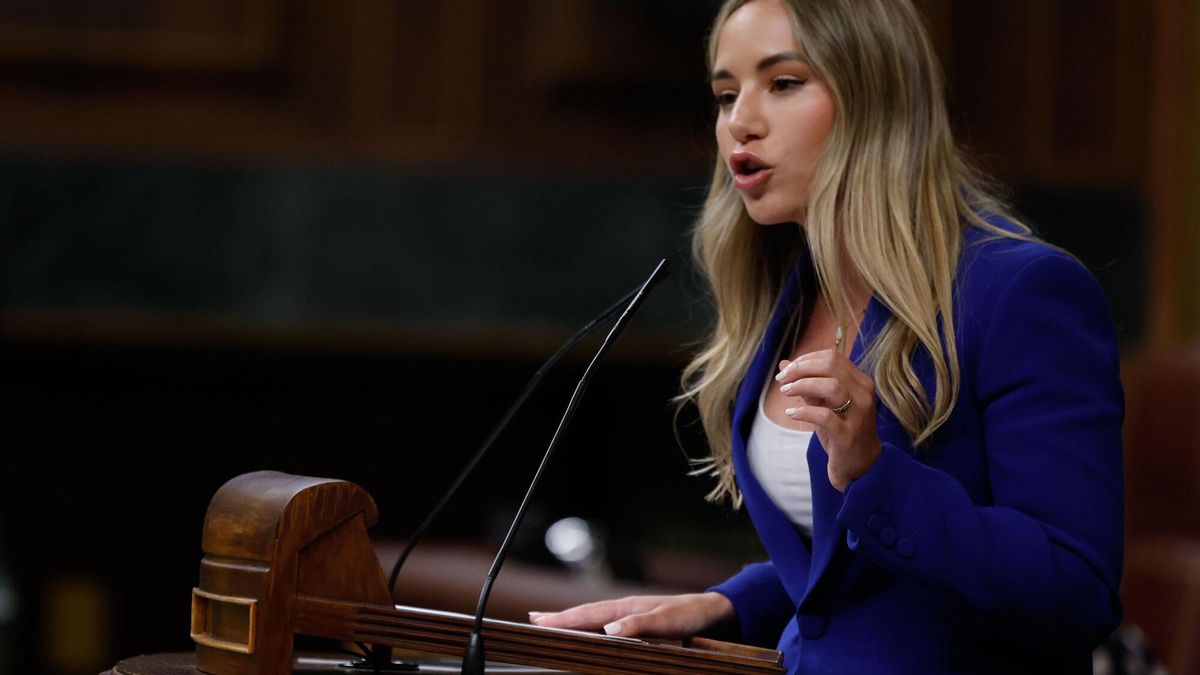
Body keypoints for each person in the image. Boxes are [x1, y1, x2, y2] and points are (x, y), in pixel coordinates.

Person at [530, 0, 1125, 673]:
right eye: (727, 94)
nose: (739, 123)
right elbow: (850, 572)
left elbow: (1076, 589)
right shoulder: (786, 294)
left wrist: (875, 471)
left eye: (783, 83)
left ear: (877, 97)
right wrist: (729, 603)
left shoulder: (1023, 291)